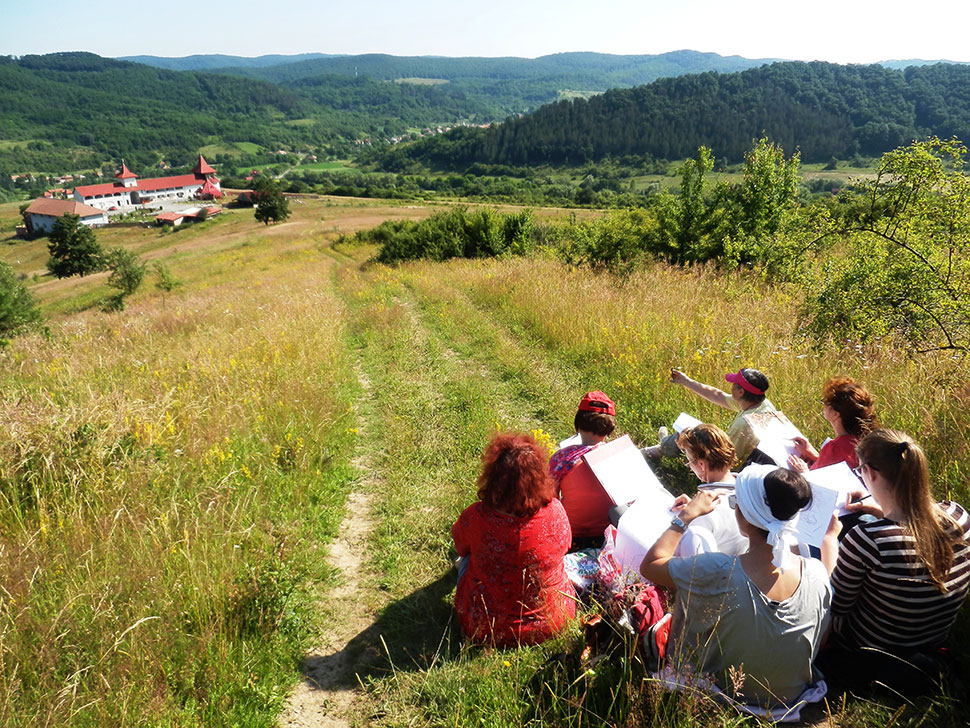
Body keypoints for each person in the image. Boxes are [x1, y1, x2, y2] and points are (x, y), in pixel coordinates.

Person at [640, 464, 835, 714]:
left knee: (682, 594)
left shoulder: (718, 570)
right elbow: (822, 636)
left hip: (722, 693)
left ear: (743, 515)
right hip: (788, 697)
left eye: (735, 503)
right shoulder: (817, 572)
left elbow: (651, 566)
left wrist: (685, 517)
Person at [820, 429, 970, 693]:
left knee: (815, 559)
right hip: (932, 638)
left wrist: (830, 540)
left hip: (872, 647)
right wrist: (878, 510)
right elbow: (917, 527)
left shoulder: (868, 540)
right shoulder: (959, 515)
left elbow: (834, 607)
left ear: (872, 474)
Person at [452, 432, 576, 647]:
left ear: (493, 476)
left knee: (466, 557)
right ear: (540, 476)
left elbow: (461, 547)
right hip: (552, 621)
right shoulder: (555, 510)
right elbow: (565, 547)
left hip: (485, 626)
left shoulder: (476, 517)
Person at [644, 368, 776, 465]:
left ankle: (658, 450)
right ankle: (665, 444)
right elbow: (717, 395)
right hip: (751, 460)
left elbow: (727, 458)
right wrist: (686, 381)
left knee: (689, 433)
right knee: (697, 432)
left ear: (741, 392)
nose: (731, 388)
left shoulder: (743, 425)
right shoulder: (761, 403)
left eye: (733, 385)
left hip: (726, 469)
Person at [549, 391, 616, 549]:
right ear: (609, 429)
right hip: (606, 532)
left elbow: (548, 498)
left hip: (569, 531)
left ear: (578, 423)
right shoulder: (617, 456)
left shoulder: (562, 458)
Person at [673, 424, 747, 558]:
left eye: (689, 461)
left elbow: (694, 567)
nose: (690, 467)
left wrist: (686, 517)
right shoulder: (750, 491)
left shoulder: (701, 516)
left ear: (701, 465)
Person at [788, 376, 877, 473]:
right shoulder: (866, 441)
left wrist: (803, 472)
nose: (823, 405)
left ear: (836, 414)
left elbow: (816, 483)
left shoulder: (835, 448)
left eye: (825, 402)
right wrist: (815, 456)